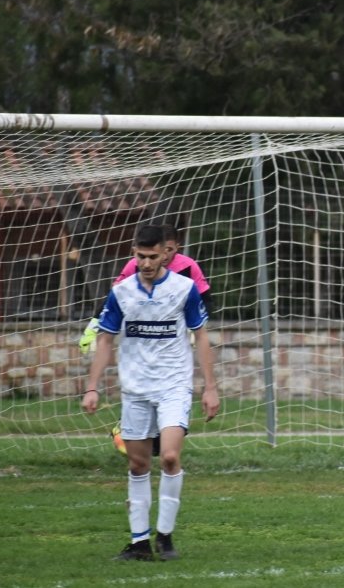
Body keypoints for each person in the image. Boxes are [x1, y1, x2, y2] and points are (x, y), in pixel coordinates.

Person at [81, 224, 219, 561]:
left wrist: (210, 387)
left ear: (166, 254)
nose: (145, 262)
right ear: (134, 253)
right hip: (136, 388)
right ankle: (139, 543)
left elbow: (201, 336)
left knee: (170, 457)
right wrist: (92, 387)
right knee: (138, 464)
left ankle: (166, 537)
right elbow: (104, 341)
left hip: (173, 385)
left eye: (152, 256)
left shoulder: (184, 289)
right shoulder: (121, 292)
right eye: (140, 256)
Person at [79, 223, 213, 354]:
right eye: (163, 250)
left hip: (173, 334)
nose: (165, 256)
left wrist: (198, 328)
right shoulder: (136, 264)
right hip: (142, 332)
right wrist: (92, 328)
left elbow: (205, 298)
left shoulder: (189, 266)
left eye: (170, 250)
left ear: (177, 247)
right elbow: (113, 298)